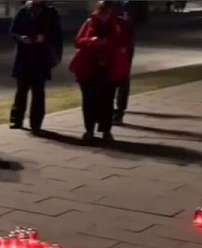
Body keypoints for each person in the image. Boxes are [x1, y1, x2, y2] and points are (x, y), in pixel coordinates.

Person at [69, 1, 131, 143]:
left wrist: (110, 44)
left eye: (108, 11)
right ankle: (89, 130)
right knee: (89, 99)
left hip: (109, 67)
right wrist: (91, 40)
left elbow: (124, 42)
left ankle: (106, 131)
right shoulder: (90, 22)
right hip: (89, 67)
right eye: (102, 11)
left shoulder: (119, 23)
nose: (105, 14)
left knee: (107, 100)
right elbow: (78, 41)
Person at [8, 0, 62, 133]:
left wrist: (44, 37)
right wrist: (21, 38)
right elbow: (13, 32)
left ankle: (36, 123)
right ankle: (16, 119)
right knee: (21, 90)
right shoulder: (23, 10)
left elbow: (57, 34)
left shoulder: (51, 12)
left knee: (38, 91)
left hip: (41, 57)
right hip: (24, 55)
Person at [112, 1, 135, 125]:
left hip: (123, 50)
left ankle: (119, 111)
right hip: (110, 50)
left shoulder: (125, 17)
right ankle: (112, 110)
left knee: (122, 79)